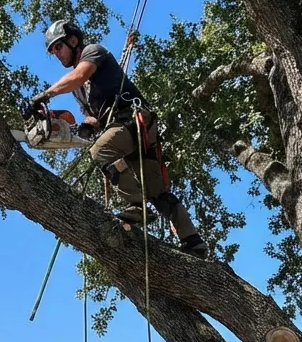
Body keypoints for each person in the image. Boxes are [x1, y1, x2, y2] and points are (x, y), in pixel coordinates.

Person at [27, 19, 208, 257]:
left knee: (100, 152)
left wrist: (43, 96)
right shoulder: (80, 92)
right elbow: (93, 117)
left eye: (58, 47)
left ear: (72, 41)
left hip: (135, 121)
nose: (57, 54)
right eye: (53, 52)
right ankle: (194, 242)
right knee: (158, 192)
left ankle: (136, 205)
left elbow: (80, 75)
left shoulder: (93, 53)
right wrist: (86, 127)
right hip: (123, 132)